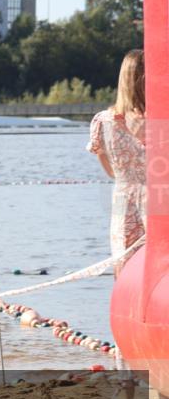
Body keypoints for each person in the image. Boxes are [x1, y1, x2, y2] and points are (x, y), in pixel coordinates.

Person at [88, 49, 146, 277]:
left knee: (125, 270)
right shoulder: (161, 119)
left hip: (124, 200)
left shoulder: (104, 121)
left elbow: (110, 171)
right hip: (159, 200)